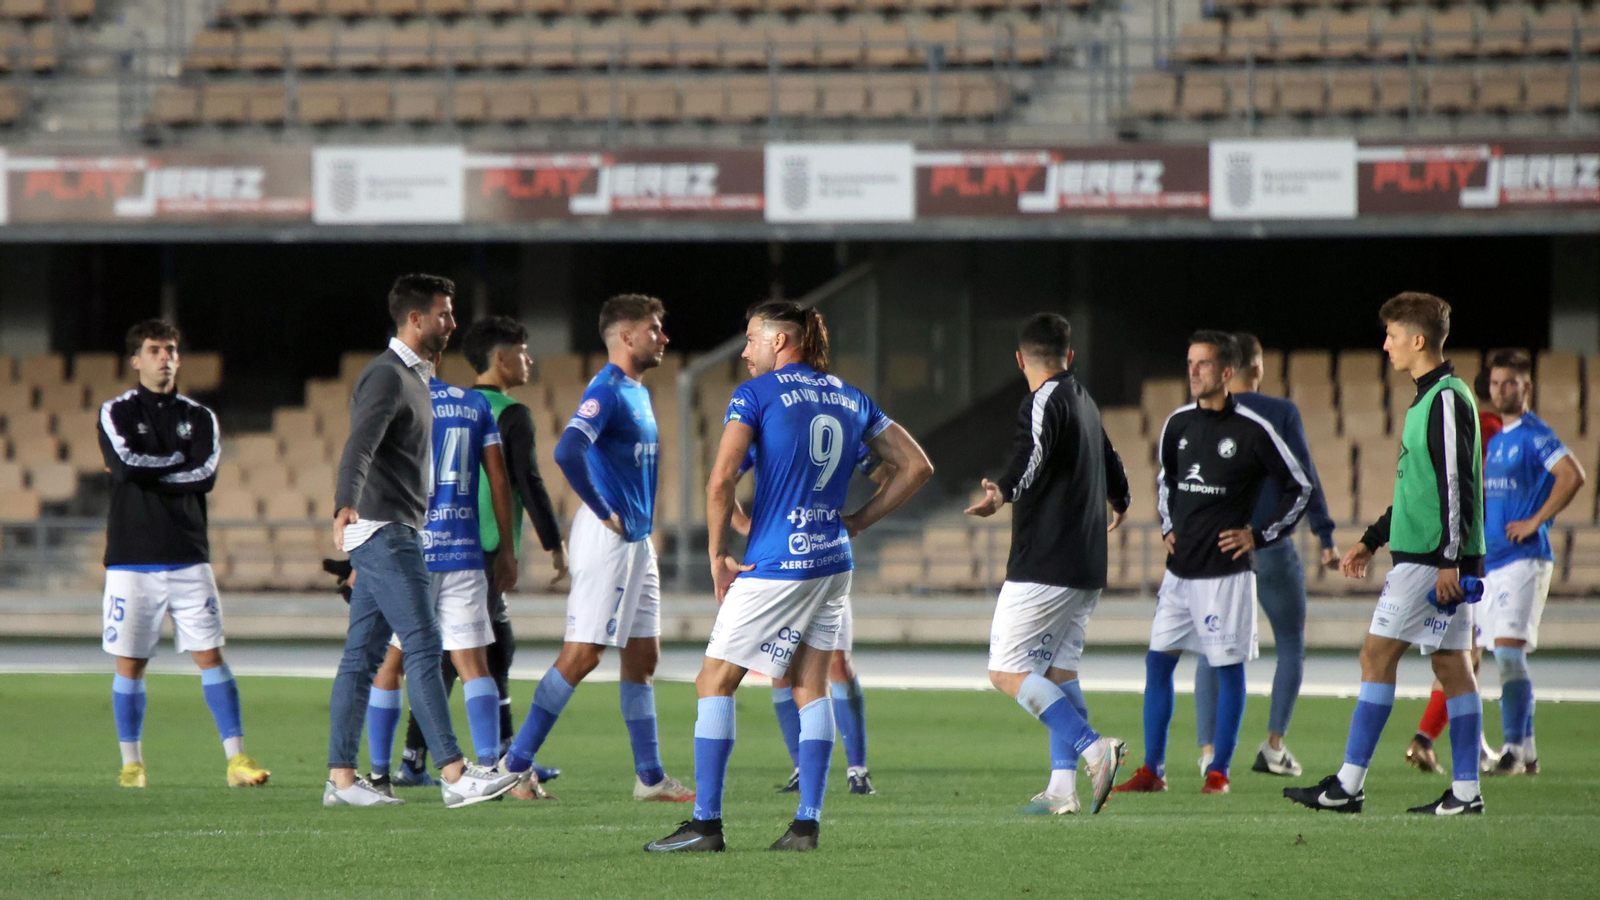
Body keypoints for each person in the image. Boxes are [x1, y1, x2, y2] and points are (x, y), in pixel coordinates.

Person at [645, 300, 933, 853]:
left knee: (714, 681)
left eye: (752, 339)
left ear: (780, 342)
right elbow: (917, 465)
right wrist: (856, 522)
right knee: (810, 685)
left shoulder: (755, 395)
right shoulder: (850, 397)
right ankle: (806, 825)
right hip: (831, 563)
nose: (746, 351)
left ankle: (705, 825)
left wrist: (716, 556)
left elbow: (720, 480)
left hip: (776, 564)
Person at [1285, 291, 1489, 816]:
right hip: (1437, 556)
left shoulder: (1443, 398)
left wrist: (1448, 559)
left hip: (1430, 560)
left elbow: (1455, 484)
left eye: (1393, 336)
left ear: (1417, 340)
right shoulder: (1434, 399)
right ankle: (1466, 793)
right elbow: (1417, 491)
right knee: (1452, 666)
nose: (1385, 345)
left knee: (1376, 657)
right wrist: (1374, 537)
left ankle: (1348, 785)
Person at [325, 273, 518, 809]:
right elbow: (359, 445)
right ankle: (455, 773)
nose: (452, 324)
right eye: (444, 314)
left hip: (394, 526)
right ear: (415, 320)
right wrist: (345, 501)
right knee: (425, 644)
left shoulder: (416, 376)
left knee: (361, 658)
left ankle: (340, 780)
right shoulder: (387, 375)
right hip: (386, 529)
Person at [499, 294, 692, 802]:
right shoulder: (606, 390)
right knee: (583, 654)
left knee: (643, 656)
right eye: (654, 329)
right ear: (626, 337)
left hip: (636, 541)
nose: (664, 337)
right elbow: (567, 449)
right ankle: (513, 767)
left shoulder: (636, 391)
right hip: (611, 539)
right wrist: (604, 508)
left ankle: (649, 778)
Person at [1116, 331, 1313, 796]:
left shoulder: (1253, 429)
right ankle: (1153, 770)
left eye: (1203, 364)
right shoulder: (1177, 424)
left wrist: (1260, 534)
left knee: (1227, 669)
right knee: (1157, 664)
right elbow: (1166, 481)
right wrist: (1167, 525)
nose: (1193, 371)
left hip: (1226, 574)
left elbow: (1299, 487)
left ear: (1227, 373)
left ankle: (1219, 772)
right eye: (1189, 363)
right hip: (1180, 572)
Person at [962, 312, 1130, 816]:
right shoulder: (1085, 400)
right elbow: (1110, 456)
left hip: (1046, 563)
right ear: (1069, 356)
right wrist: (1121, 497)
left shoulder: (1043, 400)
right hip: (1086, 565)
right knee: (1057, 671)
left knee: (1006, 671)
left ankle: (1096, 750)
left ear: (1020, 359)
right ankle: (1062, 790)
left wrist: (1003, 491)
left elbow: (1032, 451)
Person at [393, 318, 568, 792]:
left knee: (464, 652)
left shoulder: (432, 403)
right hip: (479, 548)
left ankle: (478, 755)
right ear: (500, 357)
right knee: (469, 655)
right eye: (523, 351)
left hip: (429, 543)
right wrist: (551, 543)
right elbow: (525, 482)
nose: (529, 360)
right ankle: (484, 760)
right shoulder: (506, 413)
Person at [98, 319, 270, 790]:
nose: (165, 357)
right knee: (131, 662)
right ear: (136, 360)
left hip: (189, 556)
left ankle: (236, 761)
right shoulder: (114, 412)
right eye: (154, 350)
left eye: (171, 349)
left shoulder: (200, 417)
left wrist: (156, 470)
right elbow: (125, 464)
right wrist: (177, 462)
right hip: (132, 559)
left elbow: (206, 474)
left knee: (211, 655)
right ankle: (132, 765)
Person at [363, 359, 523, 798]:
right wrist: (507, 549)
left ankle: (379, 776)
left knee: (390, 665)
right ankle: (486, 769)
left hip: (409, 550)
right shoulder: (473, 405)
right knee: (473, 663)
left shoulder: (394, 405)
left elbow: (370, 475)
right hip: (462, 549)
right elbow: (499, 479)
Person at [1192, 332, 1339, 780]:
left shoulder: (1199, 415)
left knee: (1210, 650)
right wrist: (1325, 533)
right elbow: (1304, 477)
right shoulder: (1279, 412)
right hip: (1268, 545)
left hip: (1217, 550)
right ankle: (1274, 746)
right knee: (1291, 643)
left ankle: (1208, 751)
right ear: (1255, 368)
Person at [734, 443, 888, 796]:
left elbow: (887, 475)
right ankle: (802, 768)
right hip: (776, 563)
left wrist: (860, 518)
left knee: (836, 663)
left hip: (822, 558)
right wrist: (743, 525)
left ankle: (857, 770)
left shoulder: (833, 419)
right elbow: (723, 479)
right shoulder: (763, 429)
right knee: (779, 668)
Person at [1477, 350, 1585, 775]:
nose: (1501, 391)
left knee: (1507, 652)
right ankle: (1529, 751)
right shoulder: (1499, 438)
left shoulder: (1534, 433)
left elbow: (1573, 474)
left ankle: (1511, 750)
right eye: (1496, 383)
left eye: (1510, 383)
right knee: (1506, 655)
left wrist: (1536, 520)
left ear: (1527, 388)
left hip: (1525, 559)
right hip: (1495, 564)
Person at [1404, 365, 1506, 774]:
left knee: (1462, 658)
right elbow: (1469, 489)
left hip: (1454, 550)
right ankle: (1425, 740)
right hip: (1476, 553)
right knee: (1465, 657)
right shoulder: (1493, 429)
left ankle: (1473, 747)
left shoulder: (1456, 415)